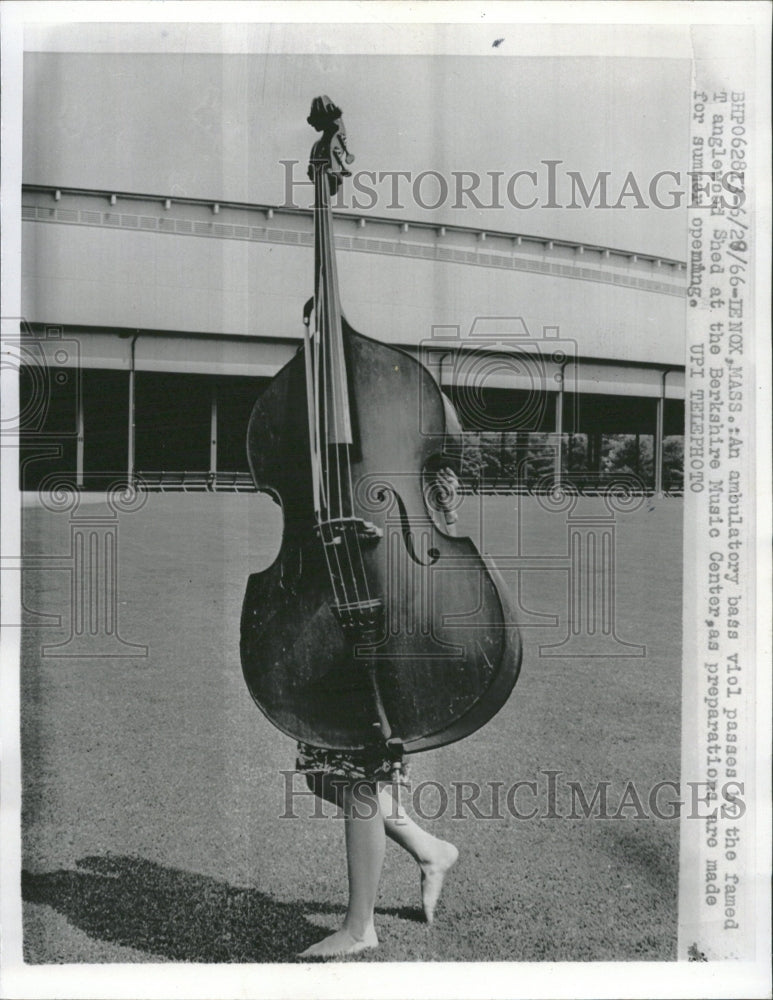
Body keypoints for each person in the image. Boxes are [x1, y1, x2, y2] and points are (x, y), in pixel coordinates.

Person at [296, 466, 461, 959]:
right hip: (332, 604)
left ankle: (359, 927)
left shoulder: (401, 415)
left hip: (385, 610)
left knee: (355, 775)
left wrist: (384, 536)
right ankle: (431, 851)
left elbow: (443, 538)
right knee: (322, 773)